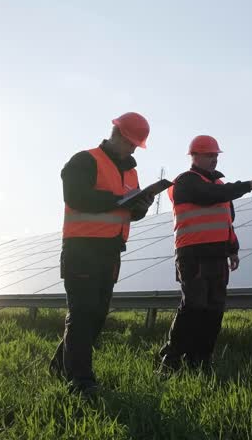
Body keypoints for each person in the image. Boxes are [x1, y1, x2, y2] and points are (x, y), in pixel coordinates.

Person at [49, 111, 161, 397]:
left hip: (111, 250)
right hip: (81, 248)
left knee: (97, 315)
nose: (134, 148)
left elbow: (130, 213)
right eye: (131, 142)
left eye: (138, 145)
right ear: (117, 135)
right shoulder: (84, 160)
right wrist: (121, 201)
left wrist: (140, 206)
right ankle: (82, 383)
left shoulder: (132, 171)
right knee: (82, 313)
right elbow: (75, 197)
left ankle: (60, 369)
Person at [159, 134, 252, 371]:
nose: (214, 160)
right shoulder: (186, 182)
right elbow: (208, 196)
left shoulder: (220, 186)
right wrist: (248, 185)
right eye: (209, 155)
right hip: (193, 255)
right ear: (195, 156)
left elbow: (226, 221)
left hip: (218, 256)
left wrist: (233, 249)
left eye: (215, 155)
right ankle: (172, 359)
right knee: (193, 307)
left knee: (214, 310)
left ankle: (201, 361)